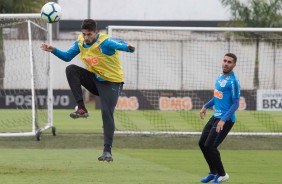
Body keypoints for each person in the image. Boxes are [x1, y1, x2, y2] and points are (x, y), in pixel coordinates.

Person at [40, 19, 135, 162]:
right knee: (71, 69)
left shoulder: (105, 42)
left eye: (89, 34)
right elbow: (67, 57)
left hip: (112, 83)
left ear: (96, 32)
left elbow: (120, 44)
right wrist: (53, 50)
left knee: (106, 112)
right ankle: (82, 108)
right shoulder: (80, 42)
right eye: (83, 34)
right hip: (96, 80)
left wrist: (129, 47)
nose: (86, 37)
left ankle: (107, 151)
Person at [199, 53, 240, 183]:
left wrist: (223, 119)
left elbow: (236, 104)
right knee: (202, 143)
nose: (226, 63)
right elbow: (217, 97)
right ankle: (213, 172)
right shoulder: (220, 77)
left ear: (234, 65)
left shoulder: (233, 82)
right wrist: (205, 106)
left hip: (225, 120)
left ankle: (222, 174)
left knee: (211, 146)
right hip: (215, 116)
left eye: (229, 62)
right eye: (225, 61)